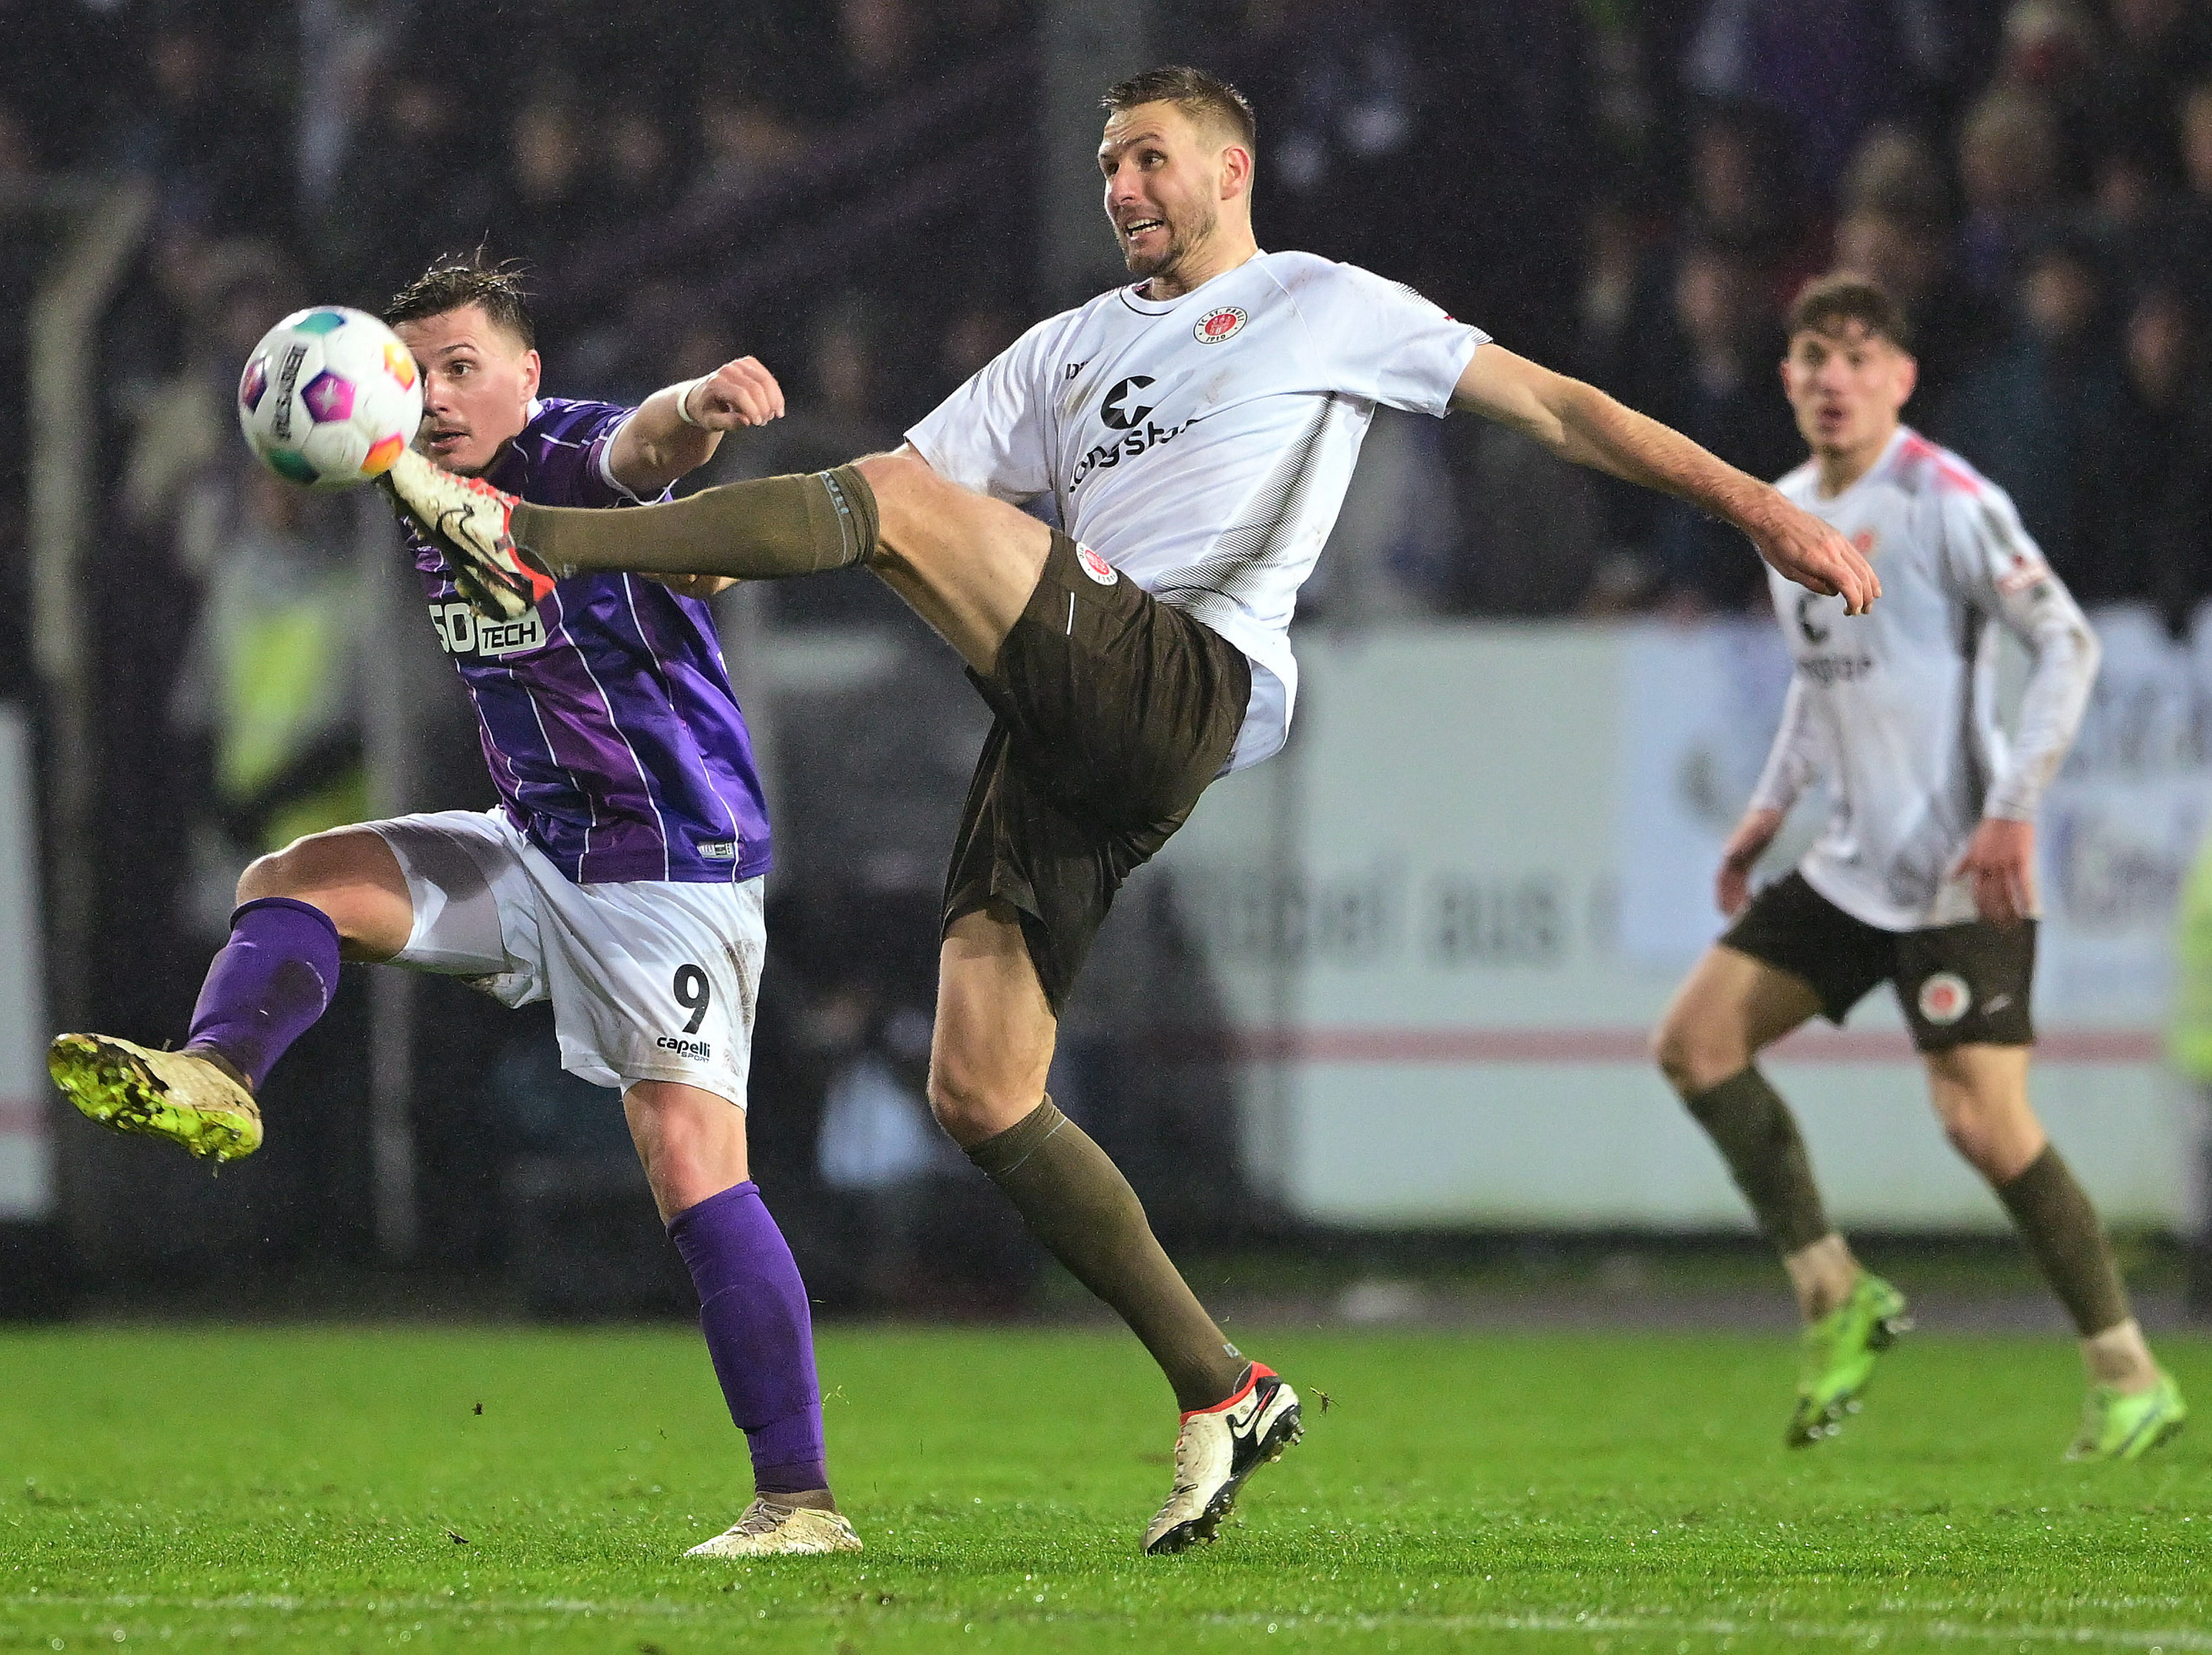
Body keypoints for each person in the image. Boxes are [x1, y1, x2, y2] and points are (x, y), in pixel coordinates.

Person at [379, 66, 1881, 1553]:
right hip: (1066, 720)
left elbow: (1554, 406)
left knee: (885, 513)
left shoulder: (1324, 302)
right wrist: (709, 543)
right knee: (981, 1089)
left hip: (1185, 673)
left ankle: (542, 531)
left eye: (1149, 159)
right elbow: (883, 493)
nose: (1121, 190)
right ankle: (1222, 1384)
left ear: (1231, 170)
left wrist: (1765, 508)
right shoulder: (1067, 350)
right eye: (1107, 165)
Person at [47, 254, 859, 1560]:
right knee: (292, 881)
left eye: (463, 367)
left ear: (527, 375)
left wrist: (698, 405)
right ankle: (220, 1070)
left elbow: (641, 448)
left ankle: (801, 1501)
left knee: (691, 1166)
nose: (433, 397)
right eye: (415, 372)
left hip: (666, 871)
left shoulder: (568, 449)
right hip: (534, 847)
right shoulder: (419, 489)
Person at [1651, 273, 2186, 1461]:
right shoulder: (1785, 508)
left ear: (1900, 378)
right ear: (1787, 377)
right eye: (1812, 355)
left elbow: (2070, 642)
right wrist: (1762, 813)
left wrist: (2013, 810)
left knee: (1984, 1125)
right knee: (1695, 1044)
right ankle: (1835, 1289)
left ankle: (2129, 1373)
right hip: (1849, 869)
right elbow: (1816, 682)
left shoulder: (1949, 498)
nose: (1834, 377)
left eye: (1859, 357)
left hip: (1957, 868)